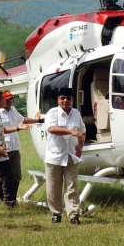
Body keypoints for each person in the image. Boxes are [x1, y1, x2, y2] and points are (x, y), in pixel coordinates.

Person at [44, 87, 86, 224]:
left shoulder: (76, 114)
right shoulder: (52, 113)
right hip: (54, 155)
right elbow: (51, 129)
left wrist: (80, 147)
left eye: (68, 98)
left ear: (73, 100)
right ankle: (56, 213)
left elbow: (83, 132)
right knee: (53, 188)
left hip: (71, 155)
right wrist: (71, 132)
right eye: (62, 98)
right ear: (58, 99)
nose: (65, 100)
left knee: (72, 186)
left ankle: (74, 215)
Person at [0, 91, 40, 201]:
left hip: (14, 146)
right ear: (3, 100)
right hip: (4, 147)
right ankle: (1, 199)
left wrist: (37, 120)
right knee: (1, 176)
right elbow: (0, 130)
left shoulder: (13, 110)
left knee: (17, 174)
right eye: (8, 99)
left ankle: (12, 198)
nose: (11, 101)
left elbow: (23, 120)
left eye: (12, 99)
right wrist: (18, 128)